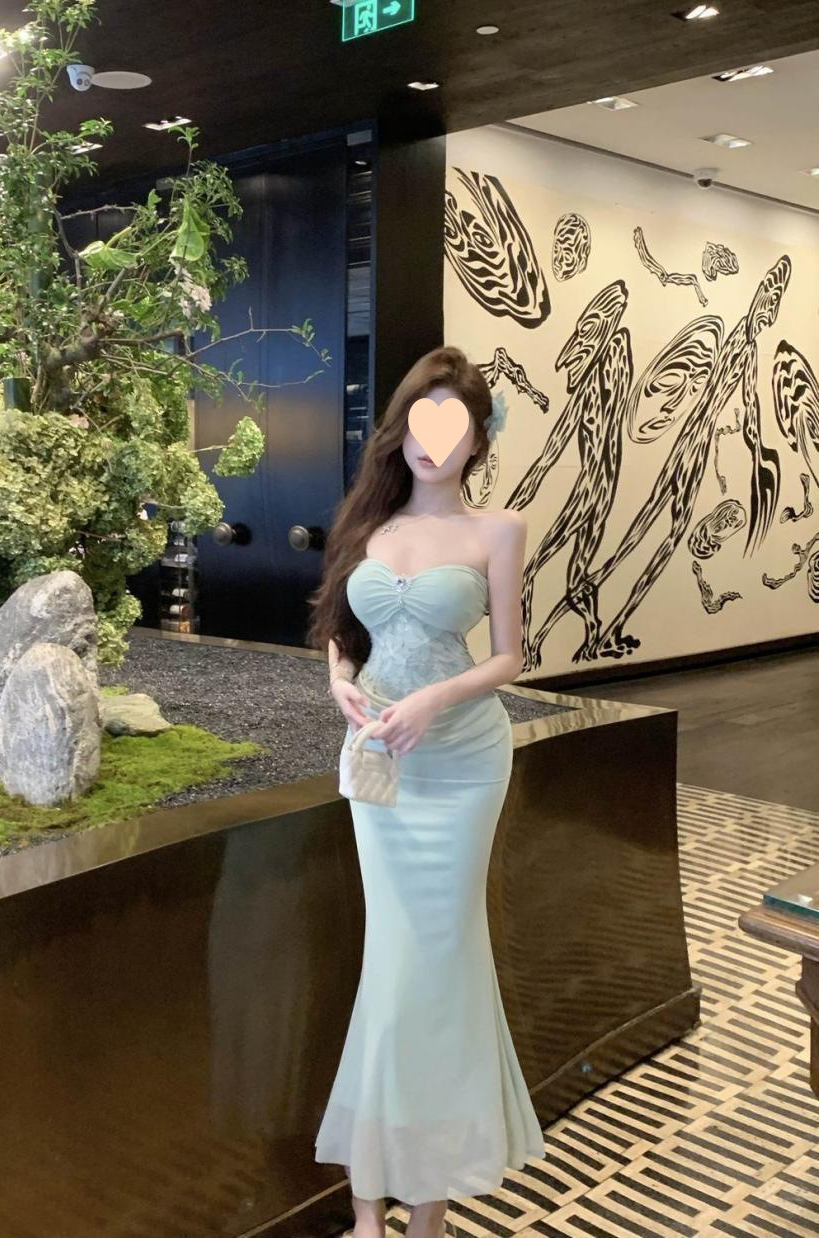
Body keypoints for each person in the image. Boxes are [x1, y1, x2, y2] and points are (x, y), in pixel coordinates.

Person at [306, 346, 547, 1238]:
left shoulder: (498, 530)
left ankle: (432, 1205)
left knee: (442, 965)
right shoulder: (367, 524)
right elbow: (342, 630)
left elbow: (509, 657)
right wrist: (340, 681)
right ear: (401, 429)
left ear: (477, 441)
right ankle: (370, 1203)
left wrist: (436, 698)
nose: (432, 440)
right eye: (419, 419)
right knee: (394, 964)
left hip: (462, 766)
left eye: (453, 426)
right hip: (381, 763)